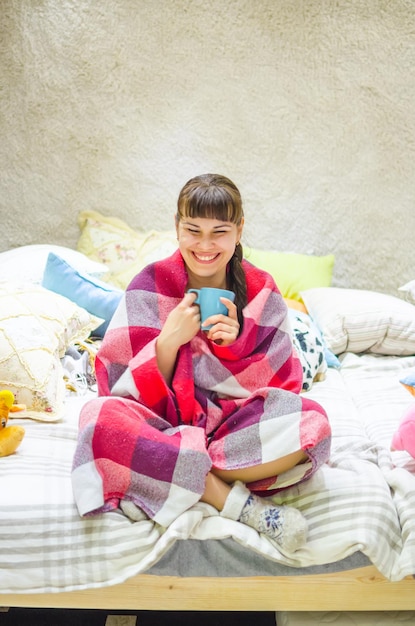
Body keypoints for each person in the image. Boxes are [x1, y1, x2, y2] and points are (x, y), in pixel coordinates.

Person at [72, 173, 331, 553]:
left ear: (239, 231)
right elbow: (116, 386)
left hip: (233, 430)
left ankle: (160, 474)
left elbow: (284, 385)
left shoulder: (261, 290)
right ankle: (235, 504)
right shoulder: (149, 284)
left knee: (314, 424)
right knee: (98, 418)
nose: (205, 245)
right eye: (193, 230)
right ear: (176, 227)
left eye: (219, 232)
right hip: (161, 427)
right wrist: (168, 342)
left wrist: (233, 348)